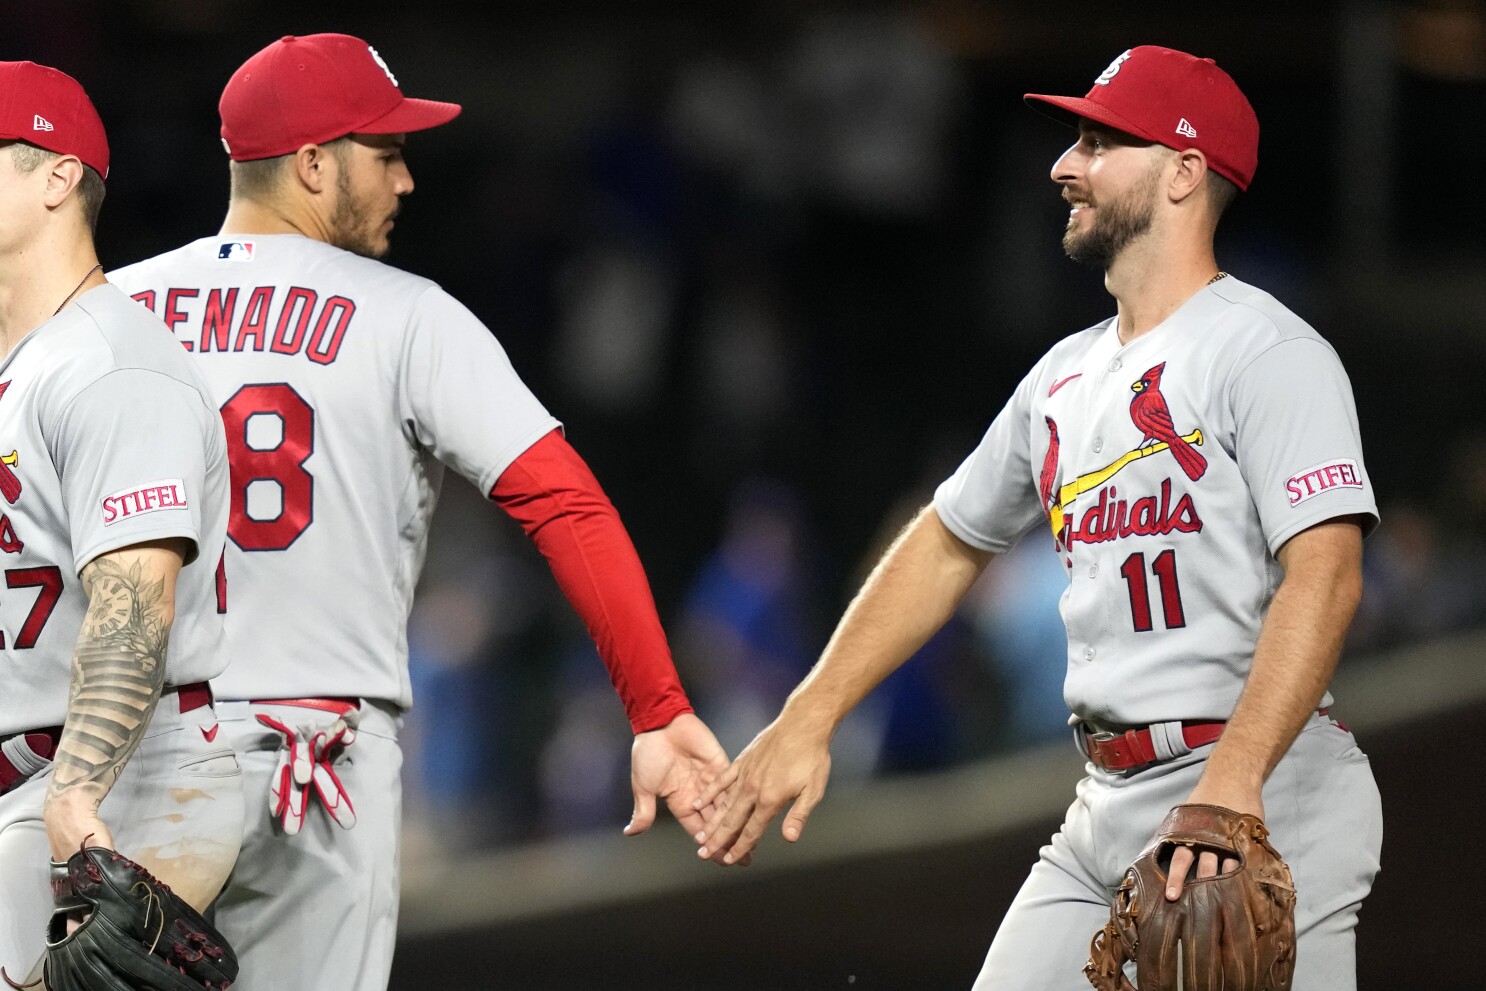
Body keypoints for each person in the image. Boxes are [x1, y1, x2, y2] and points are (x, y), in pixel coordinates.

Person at [694, 45, 1382, 990]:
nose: (1066, 164)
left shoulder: (1265, 352)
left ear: (1184, 172)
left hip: (1261, 782)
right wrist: (809, 713)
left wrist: (1236, 786)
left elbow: (1328, 575)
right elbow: (945, 541)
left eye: (1101, 142)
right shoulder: (1061, 377)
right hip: (1105, 796)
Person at [109, 34, 729, 991]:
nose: (405, 180)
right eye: (384, 152)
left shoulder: (108, 312)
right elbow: (566, 504)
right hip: (324, 771)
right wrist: (656, 706)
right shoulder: (409, 315)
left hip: (135, 759)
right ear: (314, 163)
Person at [0, 60, 242, 981]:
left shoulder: (111, 364)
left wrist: (76, 798)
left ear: (59, 175)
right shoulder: (30, 364)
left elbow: (135, 601)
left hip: (116, 781)